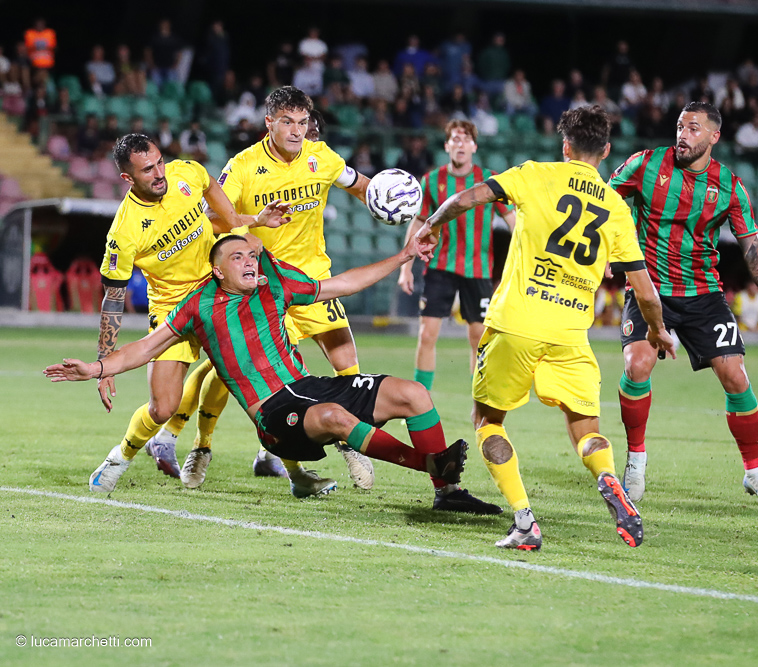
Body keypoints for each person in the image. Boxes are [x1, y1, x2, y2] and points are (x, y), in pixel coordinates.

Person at [47, 234, 501, 516]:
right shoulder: (197, 305)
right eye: (239, 256)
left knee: (413, 394)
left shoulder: (276, 281)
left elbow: (342, 284)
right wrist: (96, 367)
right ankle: (428, 464)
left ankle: (447, 492)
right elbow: (145, 348)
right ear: (217, 268)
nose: (250, 261)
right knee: (334, 418)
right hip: (274, 414)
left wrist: (404, 255)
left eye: (252, 254)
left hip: (306, 388)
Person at [416, 106, 676, 550]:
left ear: (566, 146)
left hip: (515, 323)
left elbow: (468, 198)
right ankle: (610, 479)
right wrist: (658, 330)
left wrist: (431, 226)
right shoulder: (614, 206)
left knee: (487, 421)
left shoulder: (535, 174)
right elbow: (645, 290)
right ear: (607, 151)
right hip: (571, 333)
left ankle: (524, 519)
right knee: (585, 428)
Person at [149, 86, 376, 492]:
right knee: (234, 374)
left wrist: (387, 198)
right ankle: (201, 447)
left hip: (311, 280)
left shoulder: (321, 157)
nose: (296, 131)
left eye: (303, 122)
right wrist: (251, 225)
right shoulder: (243, 166)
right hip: (262, 288)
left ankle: (349, 443)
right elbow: (215, 221)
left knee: (349, 367)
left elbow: (359, 185)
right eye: (287, 122)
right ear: (269, 122)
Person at [610, 101, 758, 507]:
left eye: (693, 128)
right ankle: (636, 462)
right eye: (679, 126)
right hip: (648, 287)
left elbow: (750, 242)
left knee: (736, 376)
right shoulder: (645, 164)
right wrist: (611, 247)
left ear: (714, 136)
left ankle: (755, 472)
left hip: (702, 293)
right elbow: (605, 199)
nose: (682, 135)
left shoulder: (729, 185)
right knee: (637, 364)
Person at [90, 134, 291, 494]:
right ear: (128, 178)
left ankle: (290, 467)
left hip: (217, 295)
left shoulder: (187, 174)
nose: (159, 173)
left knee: (256, 378)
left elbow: (221, 217)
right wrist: (106, 363)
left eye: (159, 162)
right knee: (163, 406)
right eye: (147, 169)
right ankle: (119, 458)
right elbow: (114, 297)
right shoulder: (124, 231)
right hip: (173, 310)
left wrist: (251, 222)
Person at [397, 120, 516, 392]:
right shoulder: (432, 180)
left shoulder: (489, 180)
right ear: (446, 145)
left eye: (465, 139)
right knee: (426, 335)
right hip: (440, 267)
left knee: (479, 338)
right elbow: (418, 224)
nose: (460, 144)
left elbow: (513, 220)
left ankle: (481, 400)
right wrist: (405, 268)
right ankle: (420, 401)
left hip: (478, 269)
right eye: (455, 139)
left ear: (474, 146)